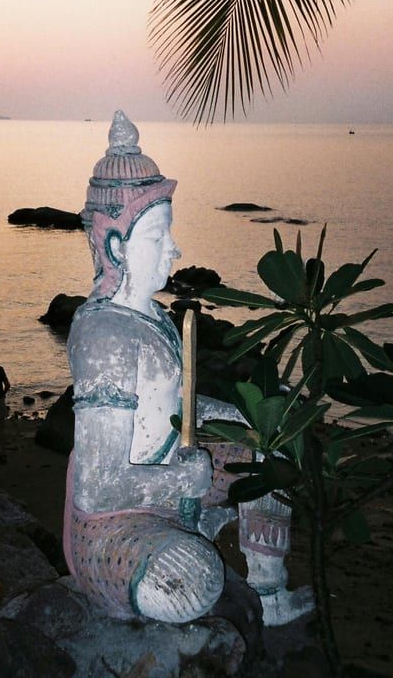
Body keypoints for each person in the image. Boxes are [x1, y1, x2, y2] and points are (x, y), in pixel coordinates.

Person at [64, 111, 306, 625]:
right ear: (115, 246)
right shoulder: (104, 337)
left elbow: (174, 409)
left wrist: (246, 417)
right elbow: (96, 486)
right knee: (194, 580)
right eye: (158, 237)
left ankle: (266, 591)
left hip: (173, 480)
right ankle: (191, 542)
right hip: (113, 528)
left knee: (272, 449)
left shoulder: (152, 317)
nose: (174, 249)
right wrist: (180, 480)